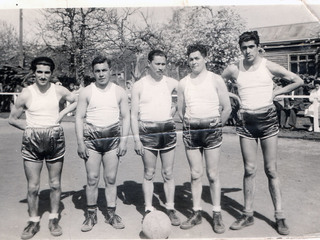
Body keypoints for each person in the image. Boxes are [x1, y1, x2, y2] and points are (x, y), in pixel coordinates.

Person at [222, 31, 304, 235]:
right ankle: (247, 214)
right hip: (245, 122)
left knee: (271, 169)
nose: (248, 51)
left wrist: (277, 92)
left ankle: (280, 216)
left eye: (251, 47)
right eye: (244, 47)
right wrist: (233, 97)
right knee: (249, 169)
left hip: (267, 121)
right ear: (240, 49)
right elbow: (215, 82)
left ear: (258, 46)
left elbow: (297, 80)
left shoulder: (269, 66)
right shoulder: (235, 69)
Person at [8, 57, 77, 239]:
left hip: (55, 138)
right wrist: (32, 128)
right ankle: (33, 221)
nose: (43, 76)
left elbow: (75, 99)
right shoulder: (26, 93)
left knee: (54, 184)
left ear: (51, 73)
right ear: (34, 72)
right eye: (39, 72)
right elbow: (12, 119)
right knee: (33, 187)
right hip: (33, 141)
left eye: (47, 72)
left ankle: (53, 219)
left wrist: (62, 113)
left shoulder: (58, 90)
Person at [177, 44, 232, 233]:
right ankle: (197, 212)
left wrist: (217, 125)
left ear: (205, 58)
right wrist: (190, 123)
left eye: (197, 58)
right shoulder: (183, 82)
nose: (193, 62)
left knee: (213, 174)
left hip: (211, 131)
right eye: (191, 59)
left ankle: (217, 213)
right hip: (192, 130)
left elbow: (227, 108)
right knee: (195, 174)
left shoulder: (216, 80)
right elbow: (180, 109)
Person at [75, 56, 130, 232]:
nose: (101, 74)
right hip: (91, 138)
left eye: (104, 70)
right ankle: (91, 215)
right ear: (93, 72)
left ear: (110, 70)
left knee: (111, 178)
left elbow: (126, 116)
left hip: (112, 138)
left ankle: (111, 214)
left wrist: (123, 141)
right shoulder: (86, 92)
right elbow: (79, 117)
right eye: (97, 71)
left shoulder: (119, 91)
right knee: (92, 179)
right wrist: (80, 142)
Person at [130, 50, 181, 226]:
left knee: (168, 173)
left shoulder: (171, 82)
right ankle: (148, 208)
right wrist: (136, 139)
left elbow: (188, 93)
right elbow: (133, 115)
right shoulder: (139, 85)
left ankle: (170, 207)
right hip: (147, 131)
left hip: (167, 129)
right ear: (149, 64)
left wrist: (175, 109)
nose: (161, 67)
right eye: (157, 64)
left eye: (163, 64)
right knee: (149, 173)